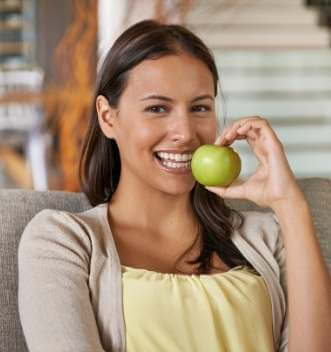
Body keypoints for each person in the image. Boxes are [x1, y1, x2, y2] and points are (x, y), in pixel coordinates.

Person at [18, 20, 331, 352]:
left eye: (199, 108)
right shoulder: (62, 241)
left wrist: (291, 206)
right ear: (108, 117)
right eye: (157, 108)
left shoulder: (270, 237)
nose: (184, 132)